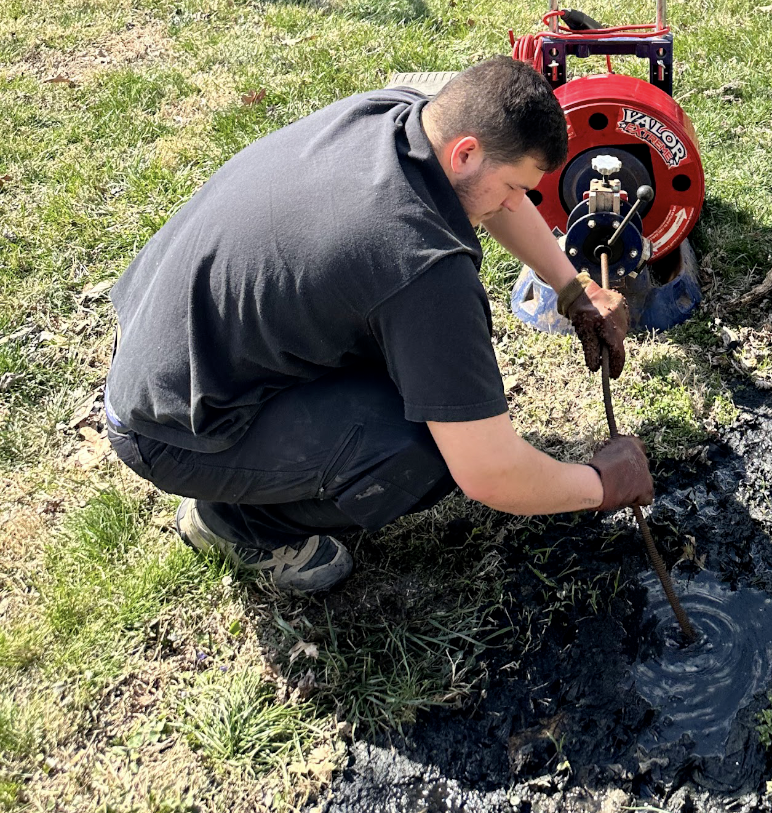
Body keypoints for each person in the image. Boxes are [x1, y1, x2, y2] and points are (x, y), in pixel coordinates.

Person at [103, 57, 653, 595]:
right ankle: (237, 525)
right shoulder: (422, 267)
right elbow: (489, 473)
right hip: (171, 428)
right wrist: (603, 485)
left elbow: (493, 201)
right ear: (465, 153)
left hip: (163, 339)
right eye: (514, 187)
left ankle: (253, 480)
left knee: (424, 379)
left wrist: (574, 291)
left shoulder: (402, 115)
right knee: (428, 446)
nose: (519, 203)